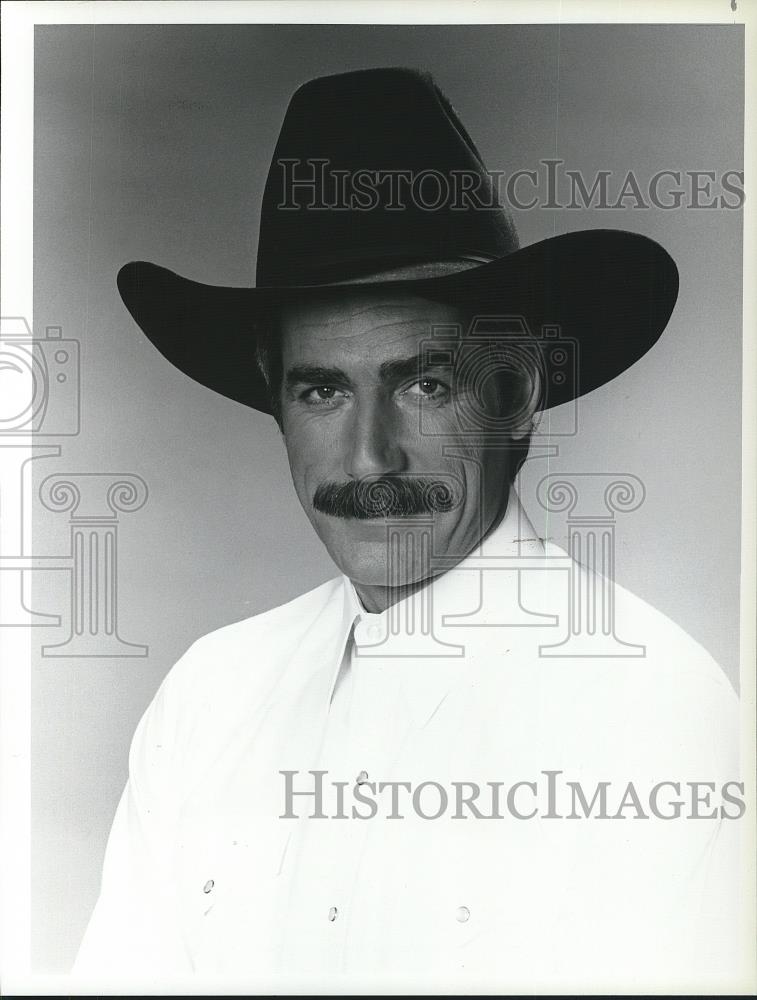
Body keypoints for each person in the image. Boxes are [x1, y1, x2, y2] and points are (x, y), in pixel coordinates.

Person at [73, 68, 745, 992]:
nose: (366, 462)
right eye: (321, 391)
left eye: (424, 384)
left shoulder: (648, 711)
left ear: (518, 390)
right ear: (272, 399)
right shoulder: (209, 697)